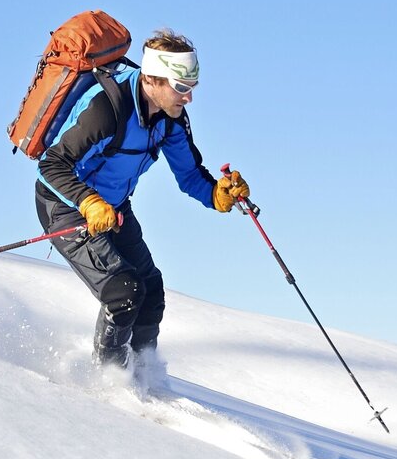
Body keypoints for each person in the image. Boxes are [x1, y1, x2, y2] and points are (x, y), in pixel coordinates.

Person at [35, 29, 250, 369]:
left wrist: (216, 196)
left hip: (114, 208)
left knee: (150, 292)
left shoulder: (171, 119)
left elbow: (191, 176)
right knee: (124, 293)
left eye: (192, 87)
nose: (188, 98)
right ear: (151, 79)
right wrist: (88, 202)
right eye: (181, 87)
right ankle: (109, 383)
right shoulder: (106, 108)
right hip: (66, 205)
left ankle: (144, 377)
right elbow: (51, 165)